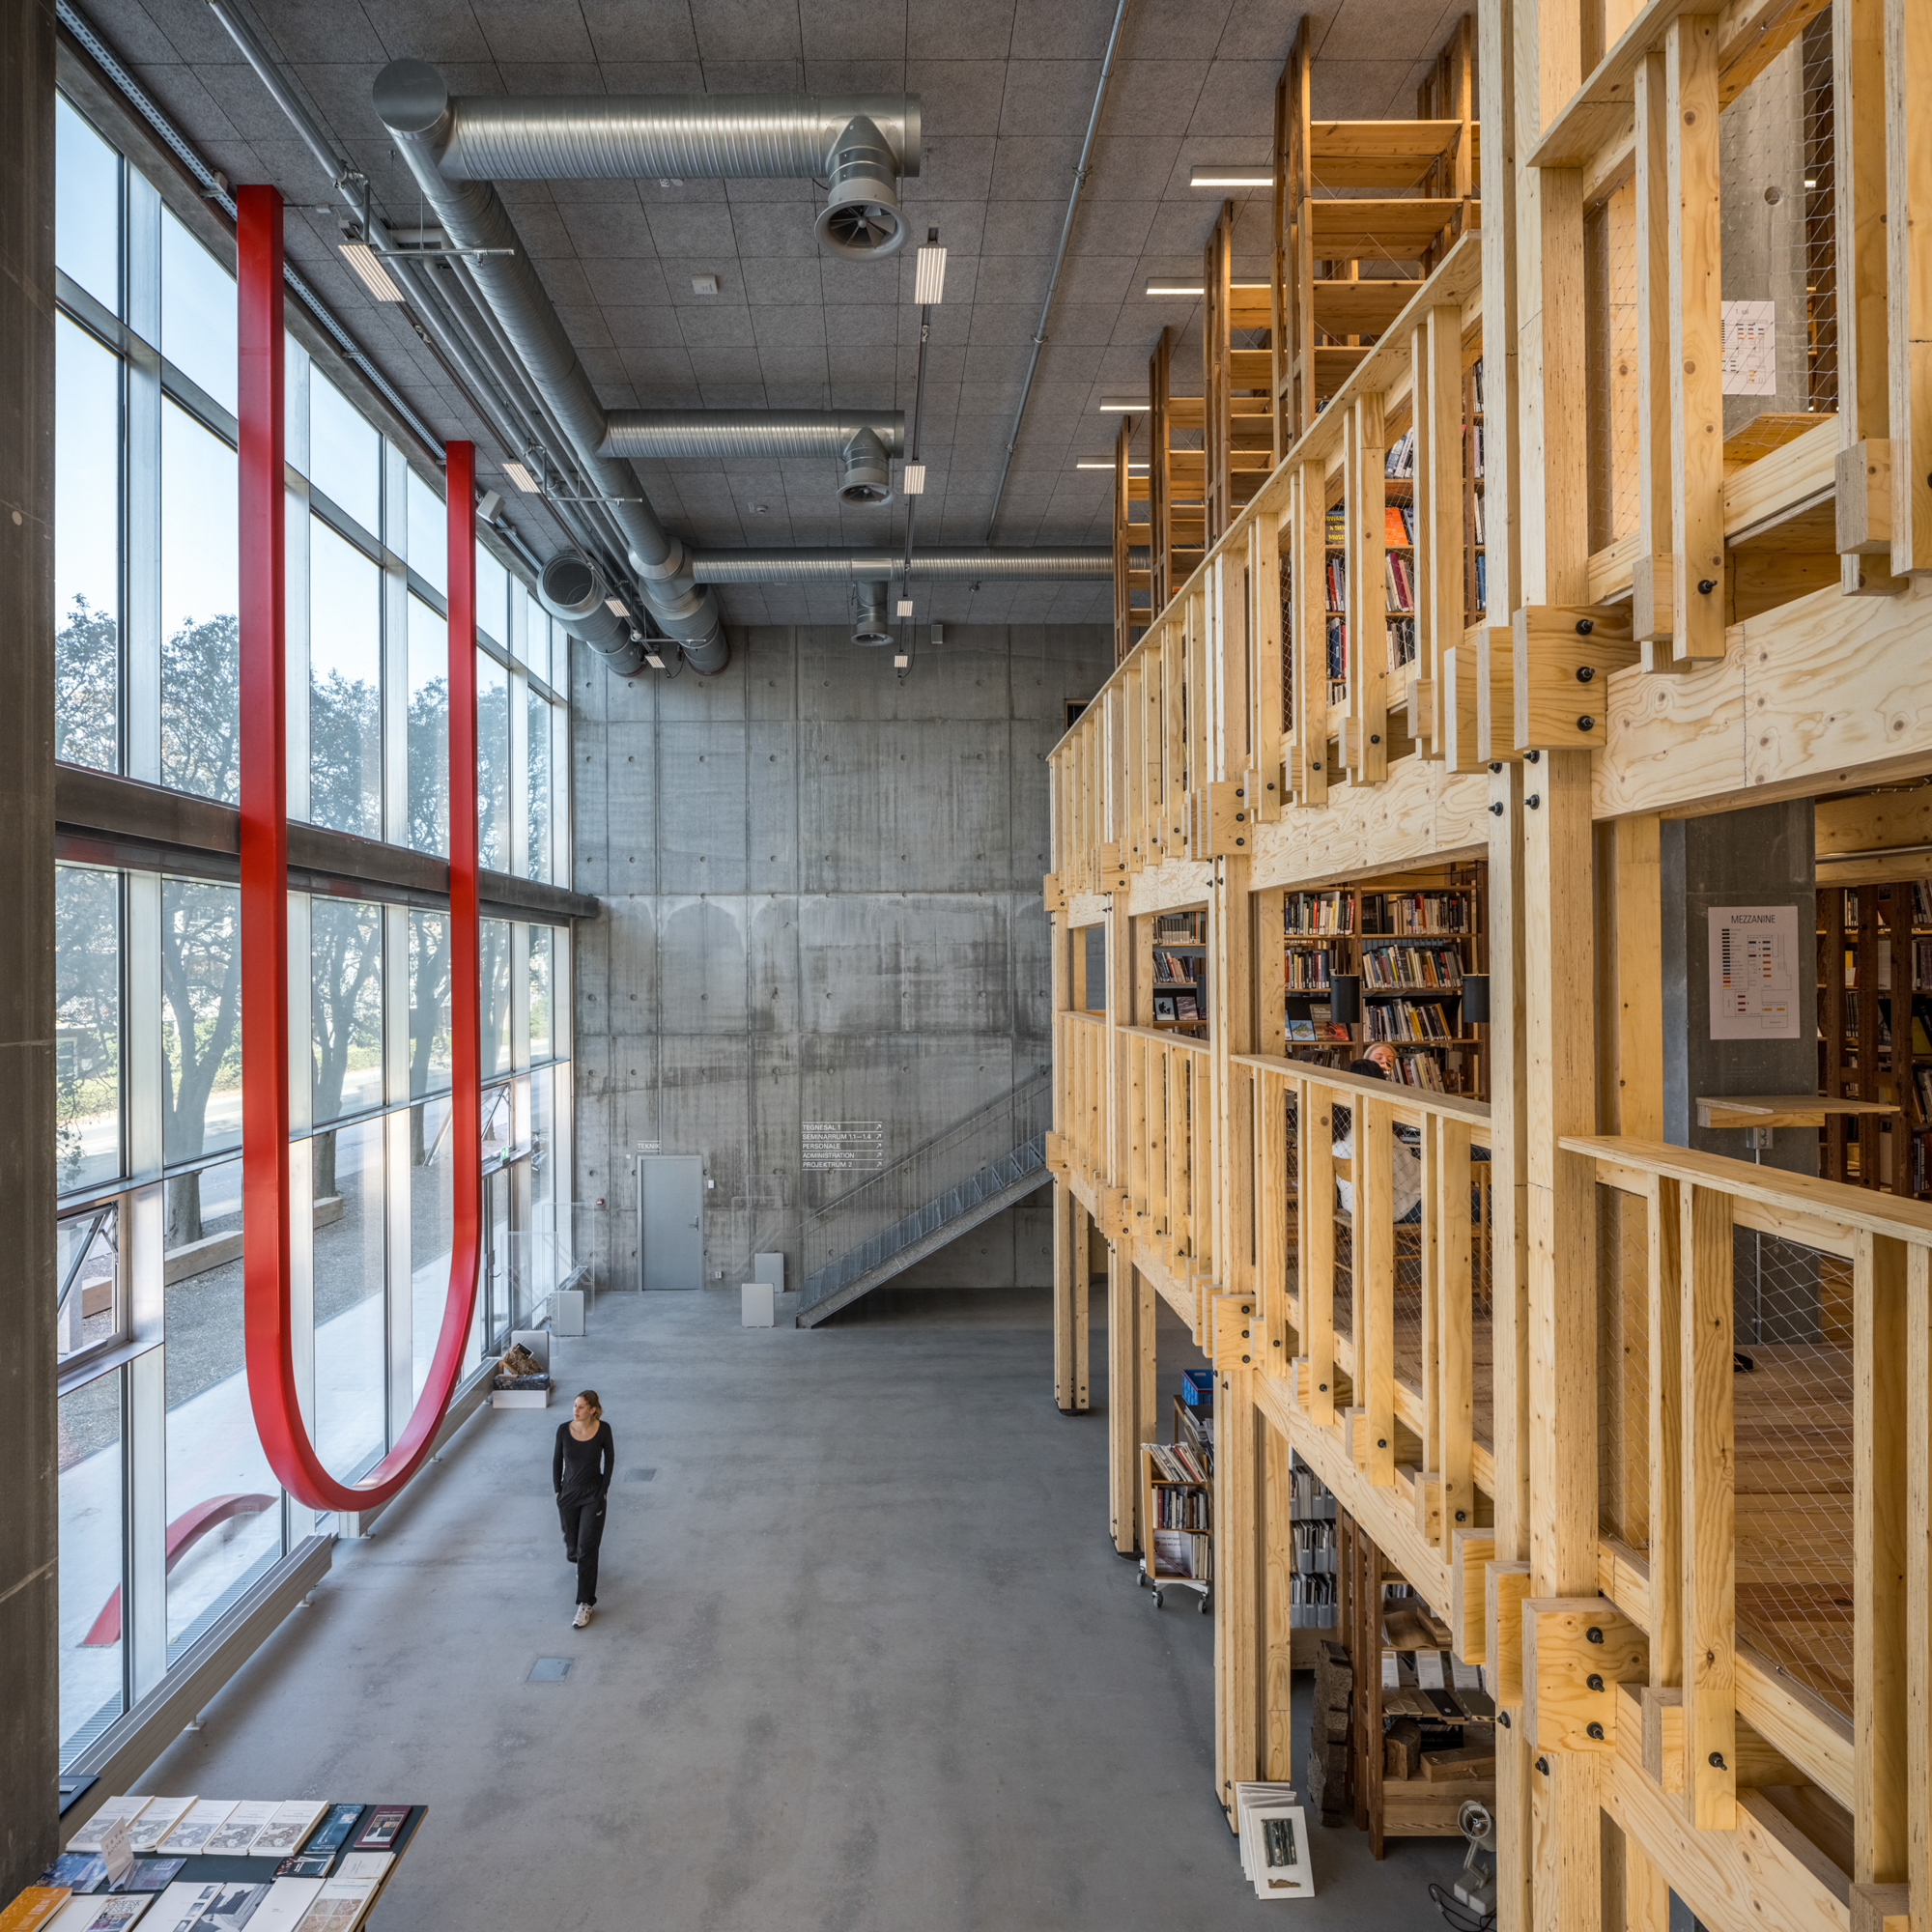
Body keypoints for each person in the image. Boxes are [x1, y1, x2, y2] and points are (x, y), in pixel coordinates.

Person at [1331, 1046, 1424, 1222]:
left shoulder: (1339, 1125)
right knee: (1476, 1198)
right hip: (1390, 1208)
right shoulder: (1373, 1131)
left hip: (1354, 1204)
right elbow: (1411, 1180)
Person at [554, 1390, 613, 1629]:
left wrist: (603, 1490)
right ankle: (578, 1560)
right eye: (574, 1406)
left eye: (580, 1407)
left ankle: (585, 1603)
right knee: (573, 1545)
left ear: (592, 1409)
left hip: (592, 1496)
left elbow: (609, 1460)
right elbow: (557, 1460)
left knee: (588, 1547)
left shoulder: (603, 1430)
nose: (575, 1411)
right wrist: (557, 1491)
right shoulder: (563, 1430)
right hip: (568, 1495)